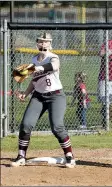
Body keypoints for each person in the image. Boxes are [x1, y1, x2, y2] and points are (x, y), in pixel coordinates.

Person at [10, 32, 76, 169]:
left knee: (57, 127)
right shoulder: (34, 60)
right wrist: (25, 94)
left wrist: (34, 69)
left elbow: (54, 66)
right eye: (40, 41)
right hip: (38, 96)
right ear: (37, 43)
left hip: (56, 96)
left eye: (46, 41)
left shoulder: (53, 57)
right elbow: (34, 81)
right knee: (26, 124)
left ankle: (69, 156)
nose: (43, 43)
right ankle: (21, 156)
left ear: (50, 43)